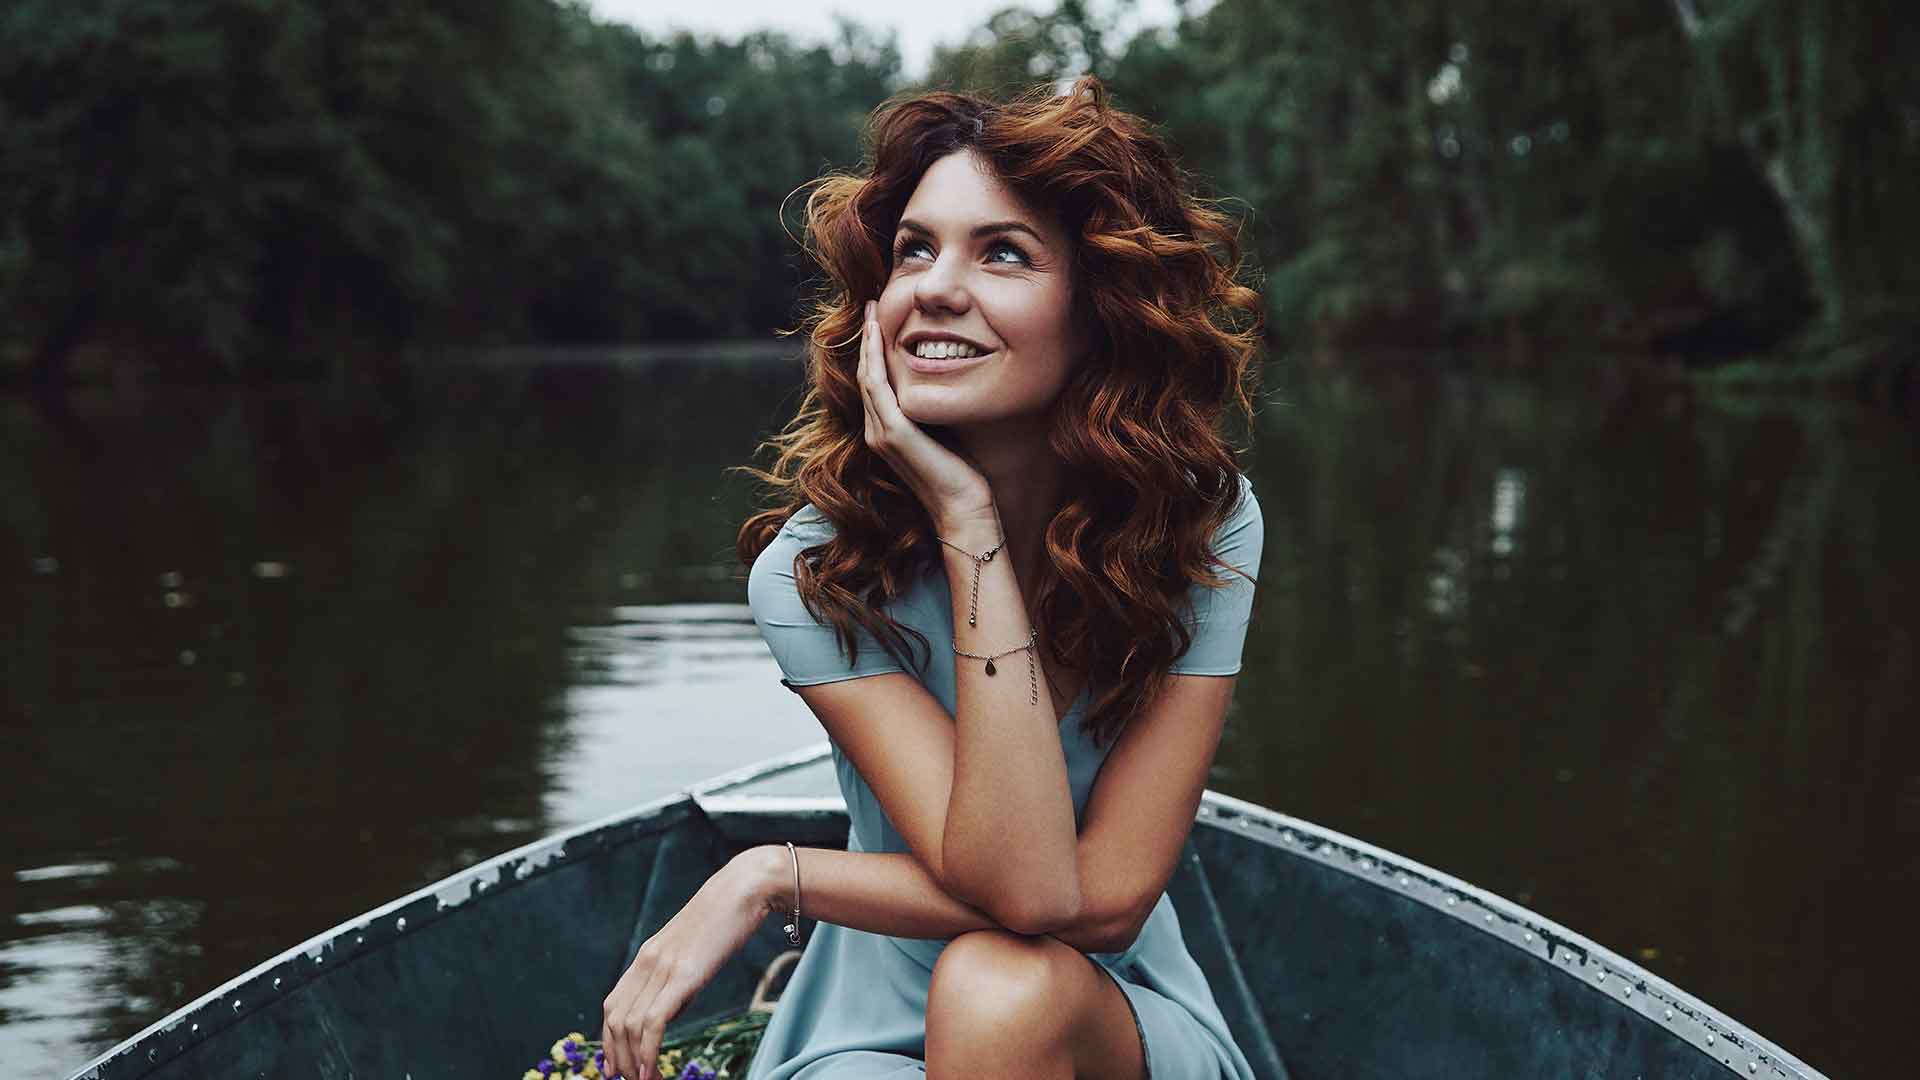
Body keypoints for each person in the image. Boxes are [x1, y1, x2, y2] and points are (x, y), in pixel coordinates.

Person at [601, 74, 1267, 1080]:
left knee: (1000, 991)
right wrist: (966, 524)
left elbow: (1095, 903)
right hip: (869, 1026)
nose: (933, 287)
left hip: (1105, 1015)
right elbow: (1025, 883)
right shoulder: (814, 572)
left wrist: (775, 877)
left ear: (1100, 311)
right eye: (915, 249)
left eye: (1002, 251)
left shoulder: (1199, 526)